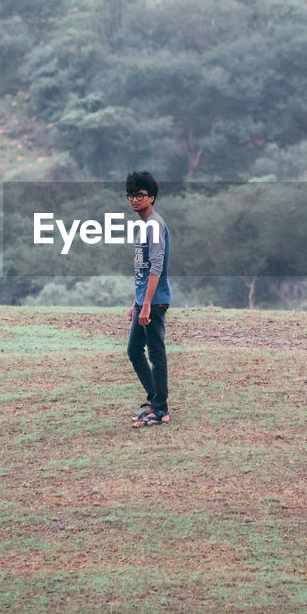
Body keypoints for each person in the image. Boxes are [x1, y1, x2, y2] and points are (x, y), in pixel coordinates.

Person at [124, 170, 172, 428]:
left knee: (155, 352)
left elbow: (156, 267)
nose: (134, 199)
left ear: (151, 197)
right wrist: (137, 302)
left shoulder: (155, 224)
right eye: (131, 195)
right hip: (146, 300)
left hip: (155, 301)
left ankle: (160, 408)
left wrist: (147, 305)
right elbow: (142, 271)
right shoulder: (143, 225)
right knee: (134, 350)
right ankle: (156, 401)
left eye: (140, 195)